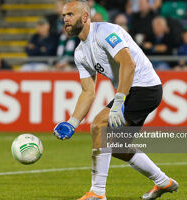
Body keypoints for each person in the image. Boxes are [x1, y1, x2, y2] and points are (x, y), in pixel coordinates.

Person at [53, 1, 178, 200]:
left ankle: (98, 193)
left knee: (99, 125)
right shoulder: (80, 53)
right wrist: (72, 122)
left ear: (85, 17)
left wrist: (119, 101)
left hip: (145, 87)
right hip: (132, 91)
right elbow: (88, 92)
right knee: (117, 147)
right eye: (63, 16)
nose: (65, 19)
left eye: (70, 14)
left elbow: (129, 63)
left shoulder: (106, 32)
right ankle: (164, 182)